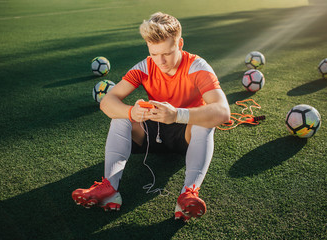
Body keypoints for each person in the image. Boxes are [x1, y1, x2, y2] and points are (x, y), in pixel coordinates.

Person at [72, 12, 231, 222]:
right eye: (154, 53)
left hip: (187, 136)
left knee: (204, 124)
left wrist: (177, 114)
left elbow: (223, 111)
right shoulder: (145, 66)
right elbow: (107, 102)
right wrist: (131, 112)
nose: (161, 61)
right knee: (120, 117)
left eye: (167, 53)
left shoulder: (197, 67)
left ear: (180, 43)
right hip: (152, 136)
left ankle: (188, 195)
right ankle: (109, 188)